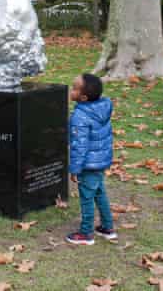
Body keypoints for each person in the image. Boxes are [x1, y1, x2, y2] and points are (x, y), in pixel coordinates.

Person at [66, 73, 116, 246]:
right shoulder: (101, 108)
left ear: (83, 97)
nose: (70, 90)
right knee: (99, 192)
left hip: (88, 164)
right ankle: (107, 227)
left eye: (74, 88)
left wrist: (74, 169)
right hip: (100, 160)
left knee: (86, 197)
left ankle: (86, 233)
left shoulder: (80, 116)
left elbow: (80, 146)